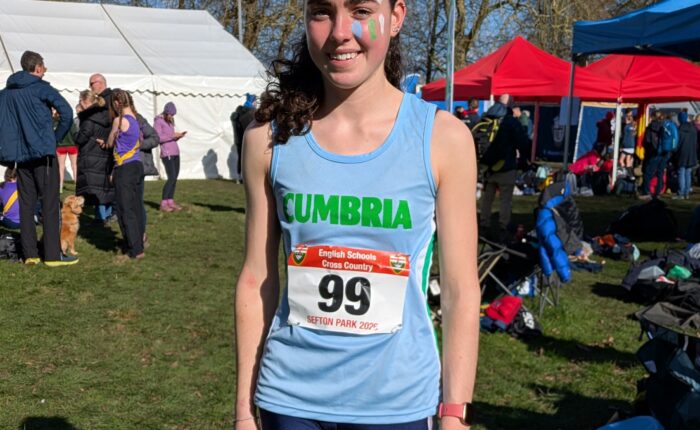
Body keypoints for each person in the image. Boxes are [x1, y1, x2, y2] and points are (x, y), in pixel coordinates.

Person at [235, 1, 480, 429]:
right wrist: (243, 410)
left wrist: (454, 413)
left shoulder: (443, 139)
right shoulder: (267, 139)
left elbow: (460, 290)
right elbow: (257, 278)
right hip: (289, 401)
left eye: (361, 10)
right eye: (322, 12)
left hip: (398, 405)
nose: (339, 31)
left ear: (396, 17)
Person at [0, 51, 76, 266]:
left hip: (21, 157)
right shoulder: (41, 88)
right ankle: (52, 255)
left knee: (26, 204)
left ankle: (30, 254)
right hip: (43, 155)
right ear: (38, 68)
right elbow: (67, 113)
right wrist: (55, 138)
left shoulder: (5, 94)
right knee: (50, 204)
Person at [100, 89, 144, 260]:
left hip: (124, 168)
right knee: (136, 207)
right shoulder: (135, 119)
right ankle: (139, 242)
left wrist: (106, 141)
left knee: (125, 209)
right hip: (137, 165)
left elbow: (111, 143)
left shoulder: (119, 121)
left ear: (117, 103)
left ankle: (134, 249)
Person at [479, 93, 529, 240]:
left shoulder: (486, 117)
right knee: (505, 200)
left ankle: (483, 225)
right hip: (506, 165)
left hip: (487, 166)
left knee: (487, 198)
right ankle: (503, 228)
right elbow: (523, 142)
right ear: (510, 104)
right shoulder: (510, 121)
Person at [75, 76, 115, 224]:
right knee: (104, 186)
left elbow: (81, 137)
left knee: (96, 189)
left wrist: (75, 134)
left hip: (91, 155)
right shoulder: (105, 114)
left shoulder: (89, 118)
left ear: (86, 102)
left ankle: (100, 218)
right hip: (104, 154)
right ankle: (108, 214)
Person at [154, 101, 186, 212]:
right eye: (170, 115)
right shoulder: (158, 121)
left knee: (174, 178)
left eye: (173, 115)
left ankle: (170, 201)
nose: (172, 117)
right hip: (167, 153)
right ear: (166, 112)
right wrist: (172, 136)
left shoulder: (170, 121)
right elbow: (158, 138)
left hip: (175, 152)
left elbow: (169, 137)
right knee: (171, 177)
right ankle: (163, 203)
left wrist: (178, 137)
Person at [231, 94, 257, 182]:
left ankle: (239, 177)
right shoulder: (251, 113)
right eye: (255, 101)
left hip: (238, 140)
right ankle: (247, 177)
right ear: (252, 102)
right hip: (247, 140)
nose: (256, 103)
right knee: (249, 158)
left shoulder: (238, 113)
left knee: (241, 158)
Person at [674, 111, 698, 199]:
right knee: (688, 172)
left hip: (682, 153)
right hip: (691, 153)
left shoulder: (679, 129)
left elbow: (677, 143)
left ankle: (681, 192)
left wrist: (674, 151)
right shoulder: (693, 129)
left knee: (681, 172)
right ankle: (686, 192)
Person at [54, 108, 79, 192]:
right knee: (74, 166)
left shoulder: (55, 123)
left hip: (60, 147)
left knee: (61, 167)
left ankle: (60, 187)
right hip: (72, 146)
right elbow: (74, 133)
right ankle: (77, 185)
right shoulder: (70, 122)